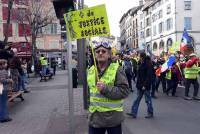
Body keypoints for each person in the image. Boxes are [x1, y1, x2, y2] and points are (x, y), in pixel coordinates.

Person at [87, 42, 130, 134]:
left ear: (109, 54)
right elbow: (89, 92)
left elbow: (125, 91)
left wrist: (105, 89)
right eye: (98, 51)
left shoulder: (117, 69)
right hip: (95, 118)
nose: (100, 53)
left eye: (104, 51)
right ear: (95, 54)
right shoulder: (90, 70)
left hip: (113, 119)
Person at [127, 53, 154, 118]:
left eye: (139, 56)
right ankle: (133, 112)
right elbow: (139, 75)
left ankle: (150, 112)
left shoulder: (148, 64)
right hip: (140, 85)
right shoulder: (141, 63)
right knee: (137, 99)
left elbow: (148, 76)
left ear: (142, 57)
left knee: (148, 100)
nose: (139, 57)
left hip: (145, 86)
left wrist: (145, 85)